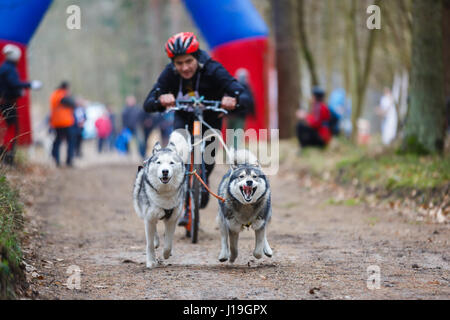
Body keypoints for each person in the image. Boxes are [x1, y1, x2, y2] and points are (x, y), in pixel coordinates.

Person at [142, 32, 253, 224]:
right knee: (178, 155)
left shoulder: (213, 69)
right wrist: (160, 99)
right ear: (173, 63)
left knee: (208, 162)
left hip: (210, 119)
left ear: (197, 56)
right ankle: (180, 203)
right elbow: (148, 102)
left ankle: (202, 183)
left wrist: (233, 100)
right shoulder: (170, 73)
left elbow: (244, 96)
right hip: (183, 119)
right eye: (179, 63)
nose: (184, 68)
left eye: (188, 61)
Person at [0, 44, 42, 164]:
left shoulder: (4, 67)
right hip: (8, 103)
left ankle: (6, 156)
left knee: (9, 129)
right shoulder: (9, 69)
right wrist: (29, 85)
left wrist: (19, 91)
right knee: (12, 129)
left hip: (5, 102)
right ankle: (7, 157)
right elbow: (13, 83)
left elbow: (10, 85)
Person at [49, 81, 77, 167]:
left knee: (58, 141)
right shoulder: (63, 95)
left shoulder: (54, 95)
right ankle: (69, 161)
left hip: (56, 123)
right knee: (70, 141)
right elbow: (72, 103)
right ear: (66, 88)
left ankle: (56, 159)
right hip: (66, 122)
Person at [227, 68, 255, 149]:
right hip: (238, 116)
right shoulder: (246, 88)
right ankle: (234, 153)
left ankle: (231, 153)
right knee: (235, 135)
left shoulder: (233, 86)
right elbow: (250, 101)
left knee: (232, 135)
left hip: (234, 116)